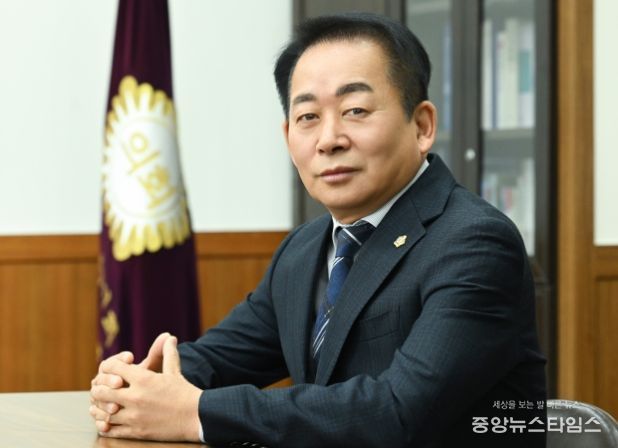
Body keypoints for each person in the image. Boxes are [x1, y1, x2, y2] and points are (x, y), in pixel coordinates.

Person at [90, 12, 547, 447]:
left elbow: (398, 412)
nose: (329, 139)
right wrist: (137, 382)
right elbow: (222, 356)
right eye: (308, 117)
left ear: (422, 126)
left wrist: (196, 412)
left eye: (355, 110)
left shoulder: (474, 243)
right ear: (288, 135)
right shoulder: (306, 249)